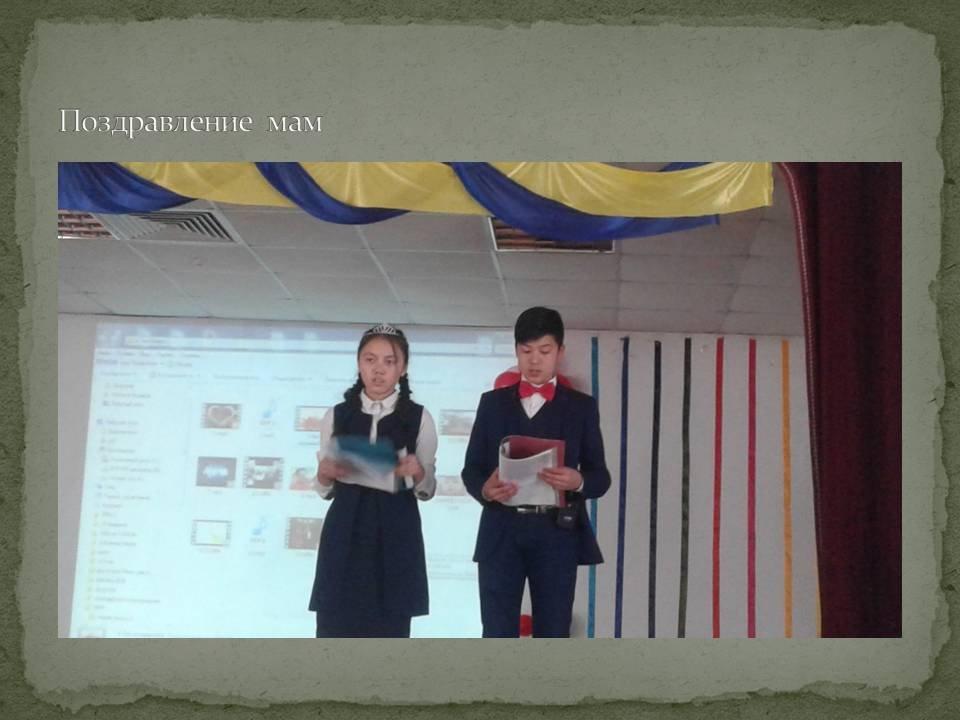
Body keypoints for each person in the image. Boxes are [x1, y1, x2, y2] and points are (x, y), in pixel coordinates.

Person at [461, 306, 611, 638]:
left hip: (556, 532)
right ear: (516, 351)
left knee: (553, 631)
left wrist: (578, 480)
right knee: (496, 631)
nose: (534, 360)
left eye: (544, 351)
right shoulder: (492, 403)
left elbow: (601, 476)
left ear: (560, 352)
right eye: (526, 351)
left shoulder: (581, 407)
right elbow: (471, 469)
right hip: (501, 529)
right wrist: (485, 489)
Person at [309, 323, 437, 638]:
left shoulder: (419, 417)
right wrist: (323, 475)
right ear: (358, 363)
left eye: (389, 362)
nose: (378, 370)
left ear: (402, 368)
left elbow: (427, 489)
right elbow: (324, 489)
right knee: (334, 633)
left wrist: (418, 472)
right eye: (370, 360)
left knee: (389, 636)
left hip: (396, 535)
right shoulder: (337, 415)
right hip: (345, 532)